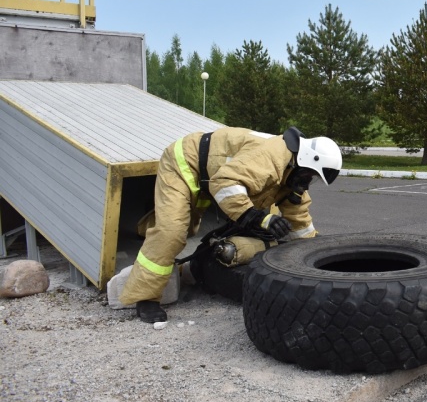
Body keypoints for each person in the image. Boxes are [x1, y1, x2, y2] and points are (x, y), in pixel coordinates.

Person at [119, 126, 342, 323]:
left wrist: (315, 249)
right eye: (308, 175)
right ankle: (145, 297)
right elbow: (225, 183)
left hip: (210, 176)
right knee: (172, 231)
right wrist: (258, 218)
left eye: (312, 179)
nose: (307, 183)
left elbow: (299, 219)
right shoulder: (271, 158)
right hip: (185, 163)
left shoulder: (291, 173)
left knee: (188, 226)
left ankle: (152, 221)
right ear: (303, 160)